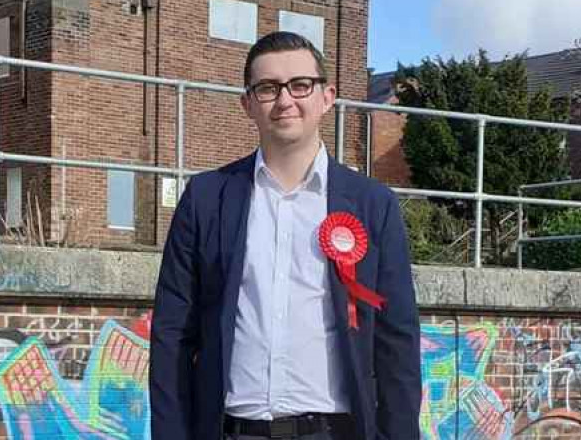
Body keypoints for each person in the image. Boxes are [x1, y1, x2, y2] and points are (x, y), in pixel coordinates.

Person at [150, 31, 421, 440]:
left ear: (327, 97)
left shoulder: (373, 204)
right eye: (267, 88)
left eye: (300, 85)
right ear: (247, 104)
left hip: (334, 432)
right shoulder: (205, 199)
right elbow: (172, 335)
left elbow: (396, 340)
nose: (285, 100)